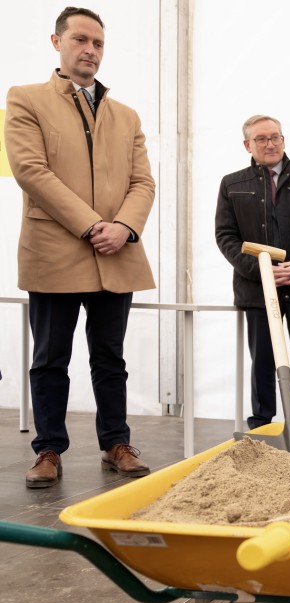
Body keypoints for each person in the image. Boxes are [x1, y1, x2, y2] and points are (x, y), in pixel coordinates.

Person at [6, 7, 156, 488]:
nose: (90, 50)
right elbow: (31, 171)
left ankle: (117, 442)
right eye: (80, 40)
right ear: (57, 43)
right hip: (55, 251)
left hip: (118, 252)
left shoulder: (126, 115)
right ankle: (48, 449)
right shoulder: (24, 100)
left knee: (110, 358)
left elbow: (143, 182)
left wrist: (125, 228)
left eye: (98, 43)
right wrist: (94, 225)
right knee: (51, 357)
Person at [215, 115, 290, 431]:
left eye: (275, 137)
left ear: (284, 140)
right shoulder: (232, 184)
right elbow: (226, 237)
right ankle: (262, 422)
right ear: (247, 145)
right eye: (261, 139)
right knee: (263, 360)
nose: (270, 144)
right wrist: (262, 271)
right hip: (257, 290)